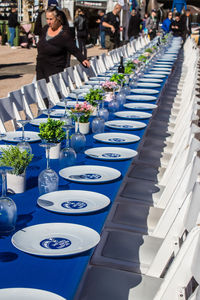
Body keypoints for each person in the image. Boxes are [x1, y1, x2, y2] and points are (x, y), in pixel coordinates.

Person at [36, 6, 90, 82]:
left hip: (55, 70)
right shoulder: (45, 29)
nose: (48, 22)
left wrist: (83, 59)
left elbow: (74, 49)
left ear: (58, 18)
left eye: (51, 19)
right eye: (47, 19)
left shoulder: (64, 34)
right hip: (41, 69)